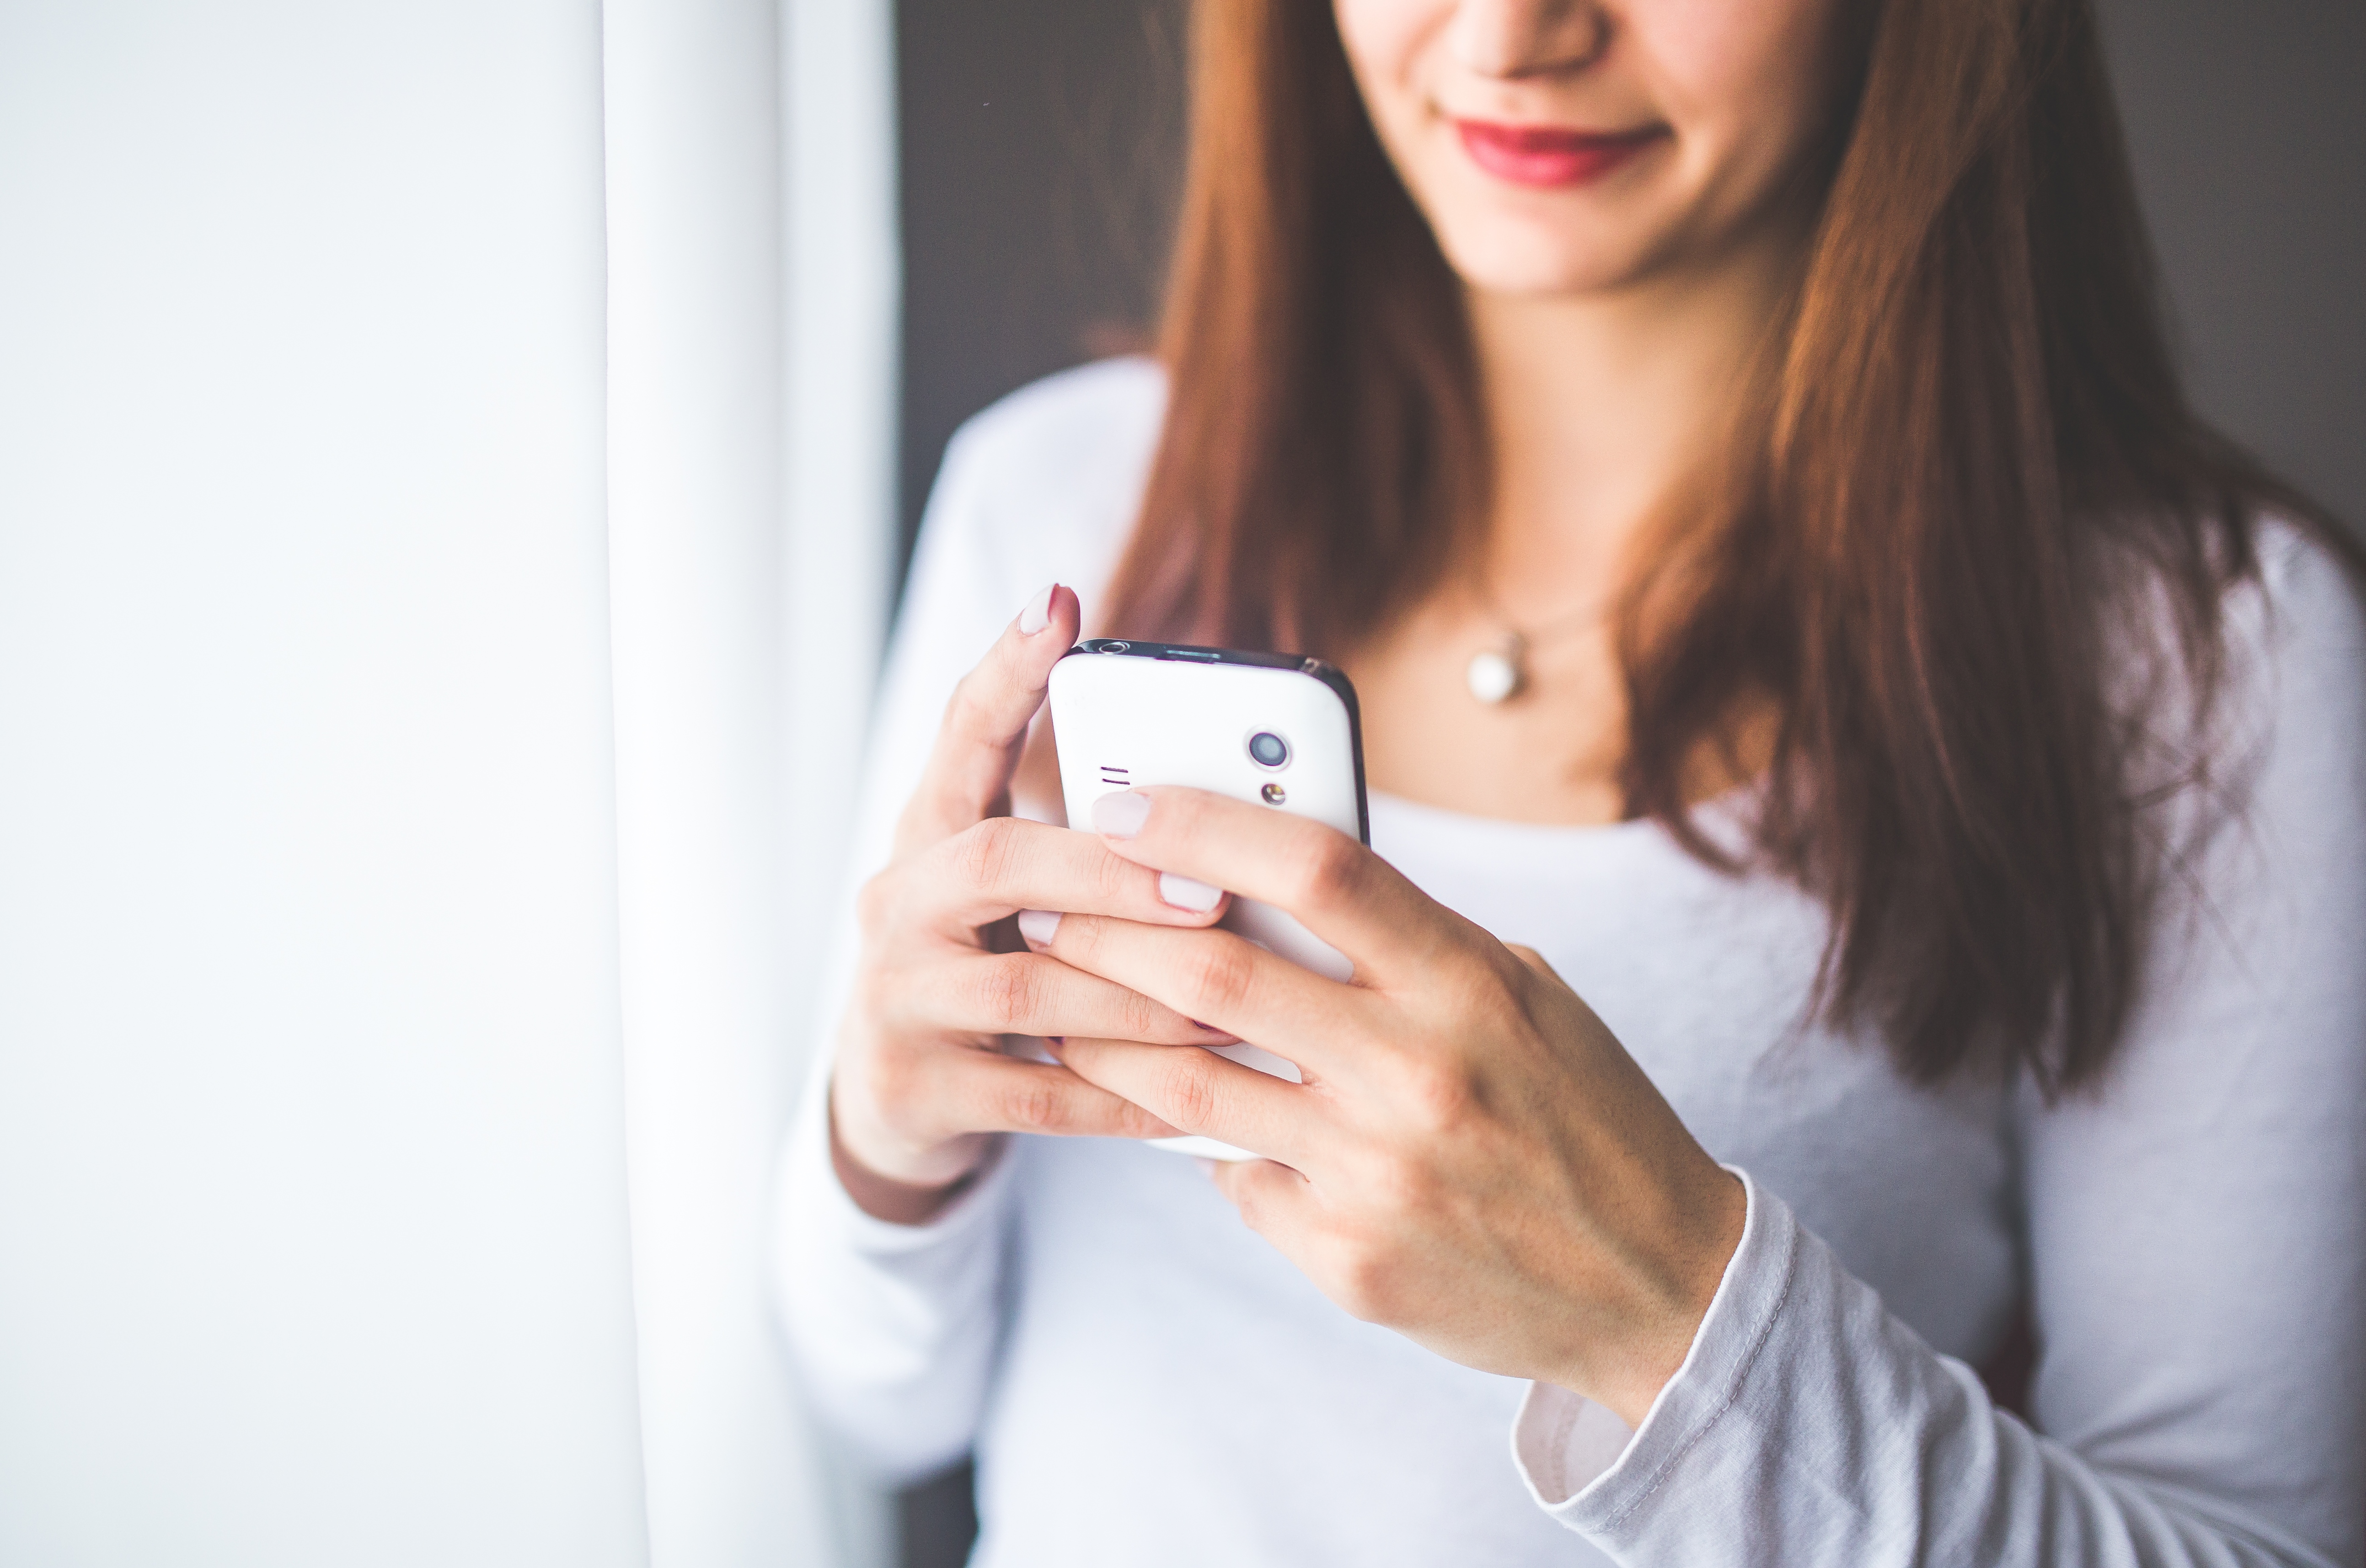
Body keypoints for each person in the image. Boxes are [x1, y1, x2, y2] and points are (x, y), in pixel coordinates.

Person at [776, 0, 2366, 1563]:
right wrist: (890, 1142)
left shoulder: (2202, 657)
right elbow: (880, 1405)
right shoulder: (1060, 502)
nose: (1512, 39)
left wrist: (1662, 1315)